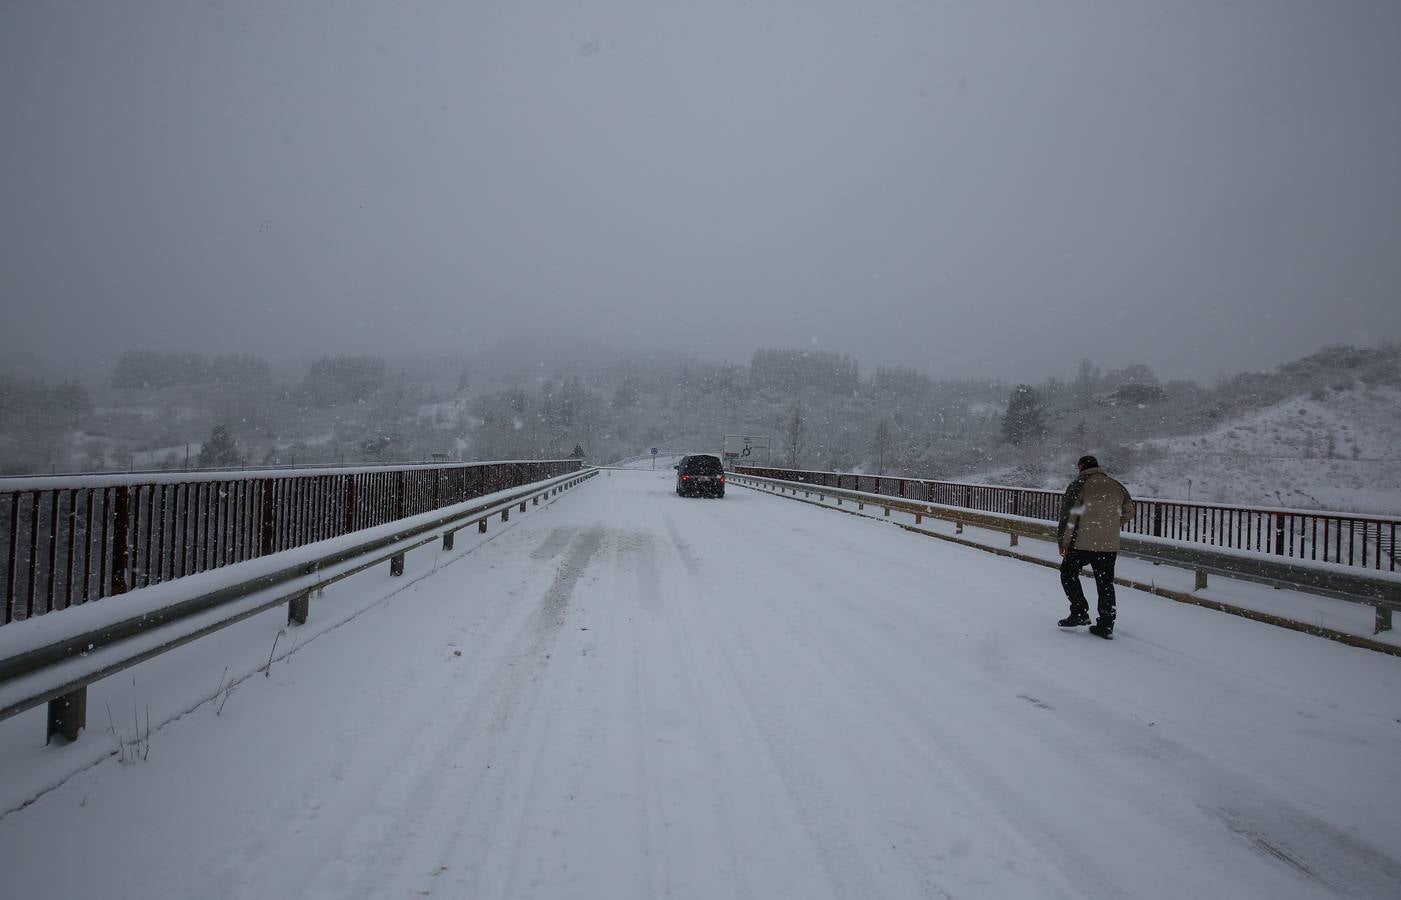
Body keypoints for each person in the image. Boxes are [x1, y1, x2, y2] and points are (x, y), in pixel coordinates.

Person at [1056, 455, 1134, 639]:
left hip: (1081, 543)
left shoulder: (1078, 484)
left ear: (1080, 467)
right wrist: (1114, 524)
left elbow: (1069, 516)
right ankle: (1106, 624)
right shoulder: (1116, 485)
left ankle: (1079, 612)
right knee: (1105, 583)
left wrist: (1063, 543)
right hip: (1108, 545)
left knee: (1068, 573)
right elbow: (1130, 511)